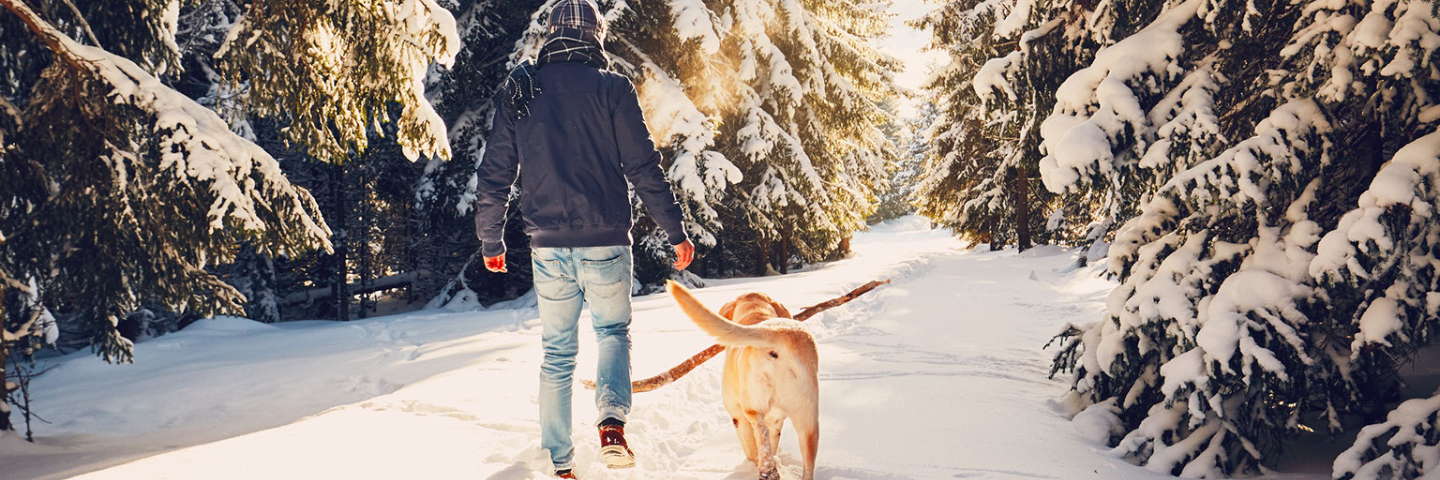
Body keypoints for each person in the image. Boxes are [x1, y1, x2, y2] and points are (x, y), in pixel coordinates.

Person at [472, 1, 695, 478]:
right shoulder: (611, 87)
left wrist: (491, 240)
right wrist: (674, 230)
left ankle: (559, 463)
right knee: (612, 333)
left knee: (557, 352)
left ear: (550, 33)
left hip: (548, 246)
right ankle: (611, 425)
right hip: (607, 240)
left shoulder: (523, 87)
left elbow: (495, 173)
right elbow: (642, 166)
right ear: (596, 34)